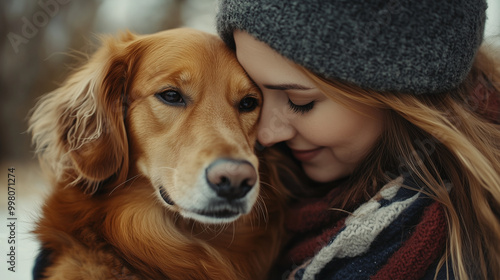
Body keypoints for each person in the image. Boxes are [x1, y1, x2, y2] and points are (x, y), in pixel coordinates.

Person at [216, 0, 500, 279]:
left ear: (399, 92)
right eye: (252, 100)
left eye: (299, 101)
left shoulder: (463, 254)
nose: (265, 134)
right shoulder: (266, 198)